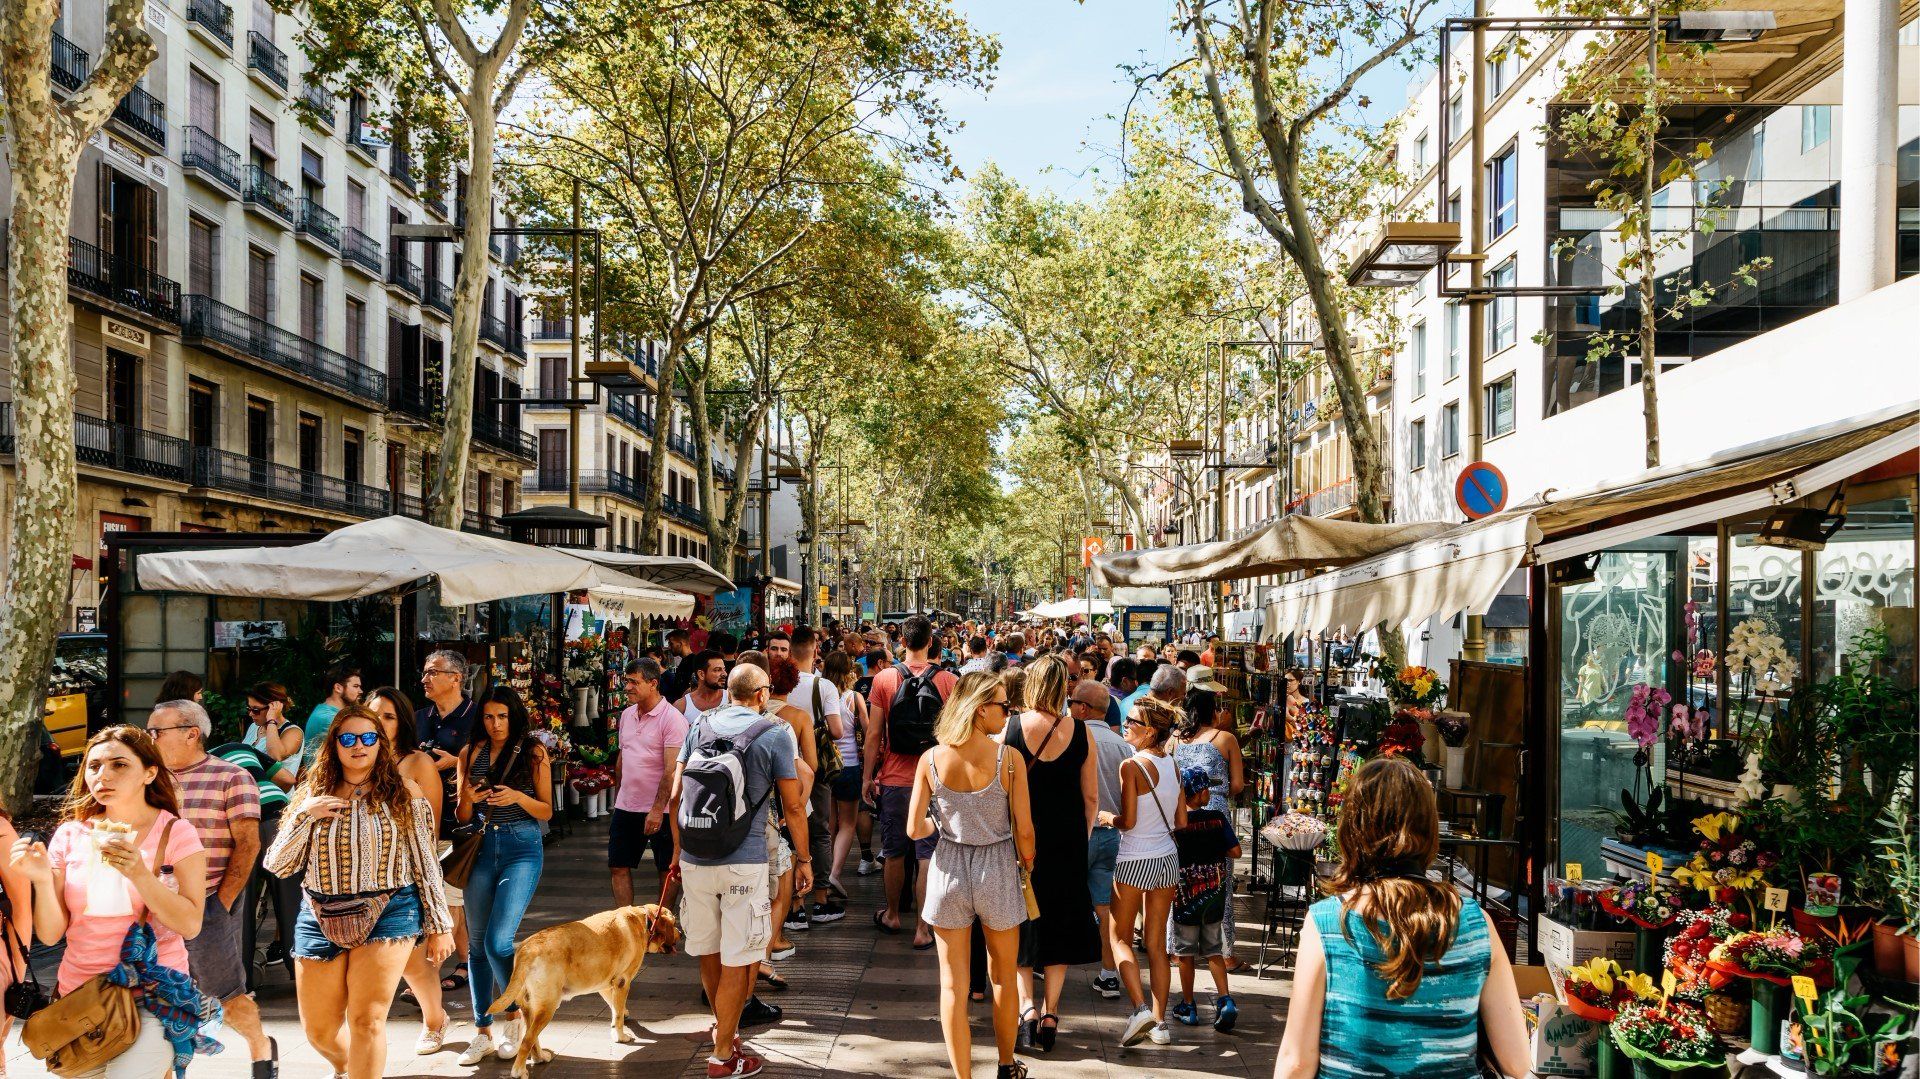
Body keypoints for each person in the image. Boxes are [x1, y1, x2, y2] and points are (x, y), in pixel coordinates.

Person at [1274, 757, 1532, 1079]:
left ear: (1353, 828)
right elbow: (1518, 1062)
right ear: (1429, 828)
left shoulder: (1326, 924)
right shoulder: (1477, 924)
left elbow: (1297, 1062)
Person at [10, 726, 217, 1077]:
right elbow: (50, 934)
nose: (102, 775)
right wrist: (42, 880)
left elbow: (190, 923)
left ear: (149, 773)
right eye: (93, 766)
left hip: (150, 994)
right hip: (81, 999)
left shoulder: (175, 833)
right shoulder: (72, 834)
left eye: (119, 765)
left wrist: (140, 873)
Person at [265, 706, 454, 1079]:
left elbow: (425, 863)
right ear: (333, 745)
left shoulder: (404, 793)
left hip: (391, 908)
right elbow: (278, 865)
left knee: (367, 1020)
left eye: (368, 738)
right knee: (318, 1031)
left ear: (380, 745)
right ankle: (347, 1067)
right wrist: (306, 815)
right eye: (347, 738)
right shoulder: (311, 792)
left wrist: (439, 924)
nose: (358, 746)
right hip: (320, 914)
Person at [671, 663, 812, 1079]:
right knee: (739, 958)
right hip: (744, 860)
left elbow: (677, 792)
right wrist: (803, 860)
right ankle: (721, 1057)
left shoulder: (699, 725)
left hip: (696, 857)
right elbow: (792, 805)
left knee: (710, 952)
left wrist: (679, 854)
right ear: (763, 694)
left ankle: (726, 1036)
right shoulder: (773, 734)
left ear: (728, 691)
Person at [908, 672, 1034, 1079]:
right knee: (1002, 976)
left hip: (948, 867)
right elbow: (1026, 831)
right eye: (1002, 705)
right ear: (981, 709)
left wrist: (943, 828)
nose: (1007, 713)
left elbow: (914, 828)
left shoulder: (931, 759)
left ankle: (962, 1075)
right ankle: (1005, 1064)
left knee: (952, 985)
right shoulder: (1008, 760)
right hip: (997, 865)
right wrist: (1027, 862)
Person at [151, 699, 277, 1077]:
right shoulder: (148, 779)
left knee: (225, 994)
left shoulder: (232, 777)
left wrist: (220, 903)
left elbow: (249, 844)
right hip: (154, 906)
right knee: (155, 995)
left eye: (157, 731)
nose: (149, 738)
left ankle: (259, 1045)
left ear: (191, 733)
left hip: (207, 903)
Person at [1003, 654, 1100, 1053]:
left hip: (1020, 840)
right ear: (1065, 690)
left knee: (1022, 917)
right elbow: (1091, 796)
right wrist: (1083, 834)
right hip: (1067, 841)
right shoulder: (1081, 732)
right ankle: (1050, 1011)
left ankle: (1026, 1006)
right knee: (1060, 920)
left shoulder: (1009, 728)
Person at [455, 686, 554, 1066]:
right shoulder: (472, 753)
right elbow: (463, 817)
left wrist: (516, 797)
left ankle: (515, 1017)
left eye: (502, 716)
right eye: (488, 717)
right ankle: (481, 1031)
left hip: (522, 848)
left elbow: (546, 811)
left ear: (513, 716)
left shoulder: (533, 752)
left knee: (499, 941)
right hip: (481, 848)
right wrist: (470, 798)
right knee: (476, 946)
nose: (495, 724)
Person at [364, 687, 453, 1055]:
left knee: (414, 963)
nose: (381, 723)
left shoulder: (417, 763)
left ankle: (435, 1020)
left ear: (402, 721)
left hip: (406, 876)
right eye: (374, 715)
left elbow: (429, 831)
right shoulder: (356, 757)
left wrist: (428, 891)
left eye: (388, 716)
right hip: (362, 877)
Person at [864, 615, 957, 948]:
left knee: (893, 852)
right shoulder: (948, 681)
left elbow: (874, 734)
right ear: (931, 642)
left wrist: (867, 777)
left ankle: (891, 914)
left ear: (901, 641)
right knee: (926, 855)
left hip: (895, 779)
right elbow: (955, 736)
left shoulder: (885, 679)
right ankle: (922, 928)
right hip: (936, 780)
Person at [1108, 695, 1185, 1048]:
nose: (1127, 726)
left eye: (1132, 723)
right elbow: (1181, 821)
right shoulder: (1173, 764)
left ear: (1150, 731)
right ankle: (1160, 1024)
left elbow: (1129, 821)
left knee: (1120, 938)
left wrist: (1109, 819)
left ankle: (1139, 1008)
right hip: (1167, 858)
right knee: (1155, 944)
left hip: (1135, 858)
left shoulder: (1132, 766)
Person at [414, 650, 475, 993]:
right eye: (424, 673)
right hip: (422, 824)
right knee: (444, 898)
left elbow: (491, 768)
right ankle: (465, 963)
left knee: (449, 898)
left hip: (461, 823)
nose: (425, 679)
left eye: (433, 672)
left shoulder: (478, 718)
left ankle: (427, 975)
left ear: (456, 677)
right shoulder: (419, 718)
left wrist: (457, 763)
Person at [610, 659, 690, 908]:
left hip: (663, 810)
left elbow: (671, 769)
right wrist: (618, 796)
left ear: (653, 683)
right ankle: (626, 923)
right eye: (627, 681)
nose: (628, 687)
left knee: (667, 868)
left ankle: (659, 923)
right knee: (618, 865)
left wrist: (657, 809)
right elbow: (623, 757)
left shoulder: (672, 719)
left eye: (635, 682)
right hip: (627, 805)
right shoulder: (626, 715)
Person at [1168, 765, 1241, 1032]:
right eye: (1206, 788)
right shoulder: (1217, 819)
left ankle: (1189, 1006)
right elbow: (1236, 851)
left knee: (1185, 954)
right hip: (1214, 896)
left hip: (1185, 897)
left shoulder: (1177, 823)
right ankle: (1225, 1000)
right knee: (1213, 950)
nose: (1210, 792)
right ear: (1197, 792)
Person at [787, 627, 845, 925]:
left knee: (790, 832)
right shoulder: (823, 687)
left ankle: (794, 904)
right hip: (816, 768)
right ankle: (821, 900)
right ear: (815, 651)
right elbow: (837, 731)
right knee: (820, 830)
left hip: (783, 767)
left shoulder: (778, 685)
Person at [1081, 689, 1133, 1002]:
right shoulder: (1123, 746)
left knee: (1060, 899)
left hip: (1080, 833)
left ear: (1084, 709)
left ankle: (1047, 965)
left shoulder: (1073, 739)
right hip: (1111, 833)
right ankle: (1109, 974)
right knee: (1105, 907)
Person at [821, 650, 867, 895]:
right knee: (847, 823)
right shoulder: (854, 698)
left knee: (830, 823)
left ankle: (824, 871)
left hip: (826, 766)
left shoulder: (819, 695)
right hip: (849, 765)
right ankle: (834, 873)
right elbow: (869, 732)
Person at [300, 664, 363, 774]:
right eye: (356, 686)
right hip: (328, 783)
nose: (360, 691)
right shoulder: (330, 718)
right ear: (338, 688)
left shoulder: (325, 711)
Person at [244, 683, 304, 766]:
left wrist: (271, 720)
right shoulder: (254, 726)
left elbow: (275, 757)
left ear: (274, 707)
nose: (251, 714)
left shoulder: (294, 732)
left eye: (255, 710)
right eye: (249, 708)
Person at [679, 650, 728, 723]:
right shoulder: (682, 706)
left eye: (724, 669)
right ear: (701, 674)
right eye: (717, 670)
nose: (724, 674)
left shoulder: (732, 699)